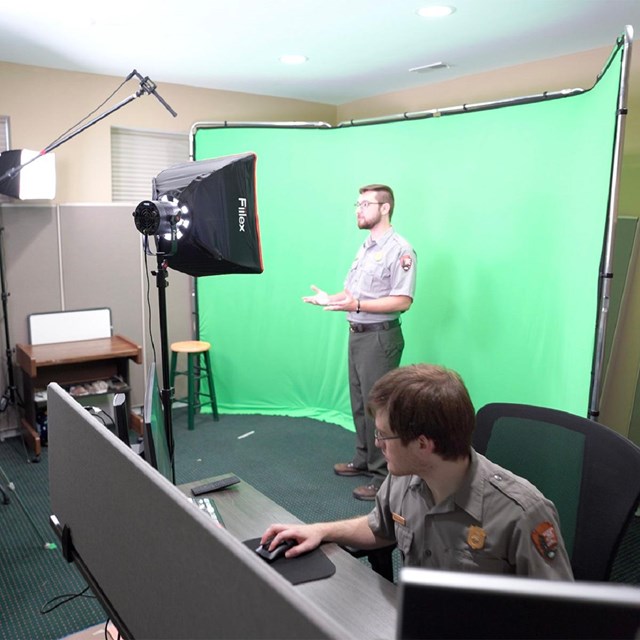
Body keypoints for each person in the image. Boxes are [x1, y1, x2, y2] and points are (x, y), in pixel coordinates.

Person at [260, 364, 574, 580]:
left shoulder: (522, 513)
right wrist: (321, 531)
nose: (377, 443)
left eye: (384, 435)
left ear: (423, 444)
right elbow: (380, 530)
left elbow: (558, 617)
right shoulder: (403, 480)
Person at [302, 184, 417, 501]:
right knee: (359, 403)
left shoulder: (400, 250)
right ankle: (364, 459)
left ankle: (383, 477)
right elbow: (353, 295)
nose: (358, 209)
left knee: (379, 407)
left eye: (365, 204)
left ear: (385, 208)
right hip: (358, 335)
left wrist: (355, 306)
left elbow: (402, 300)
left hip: (380, 338)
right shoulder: (365, 247)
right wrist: (331, 298)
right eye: (357, 203)